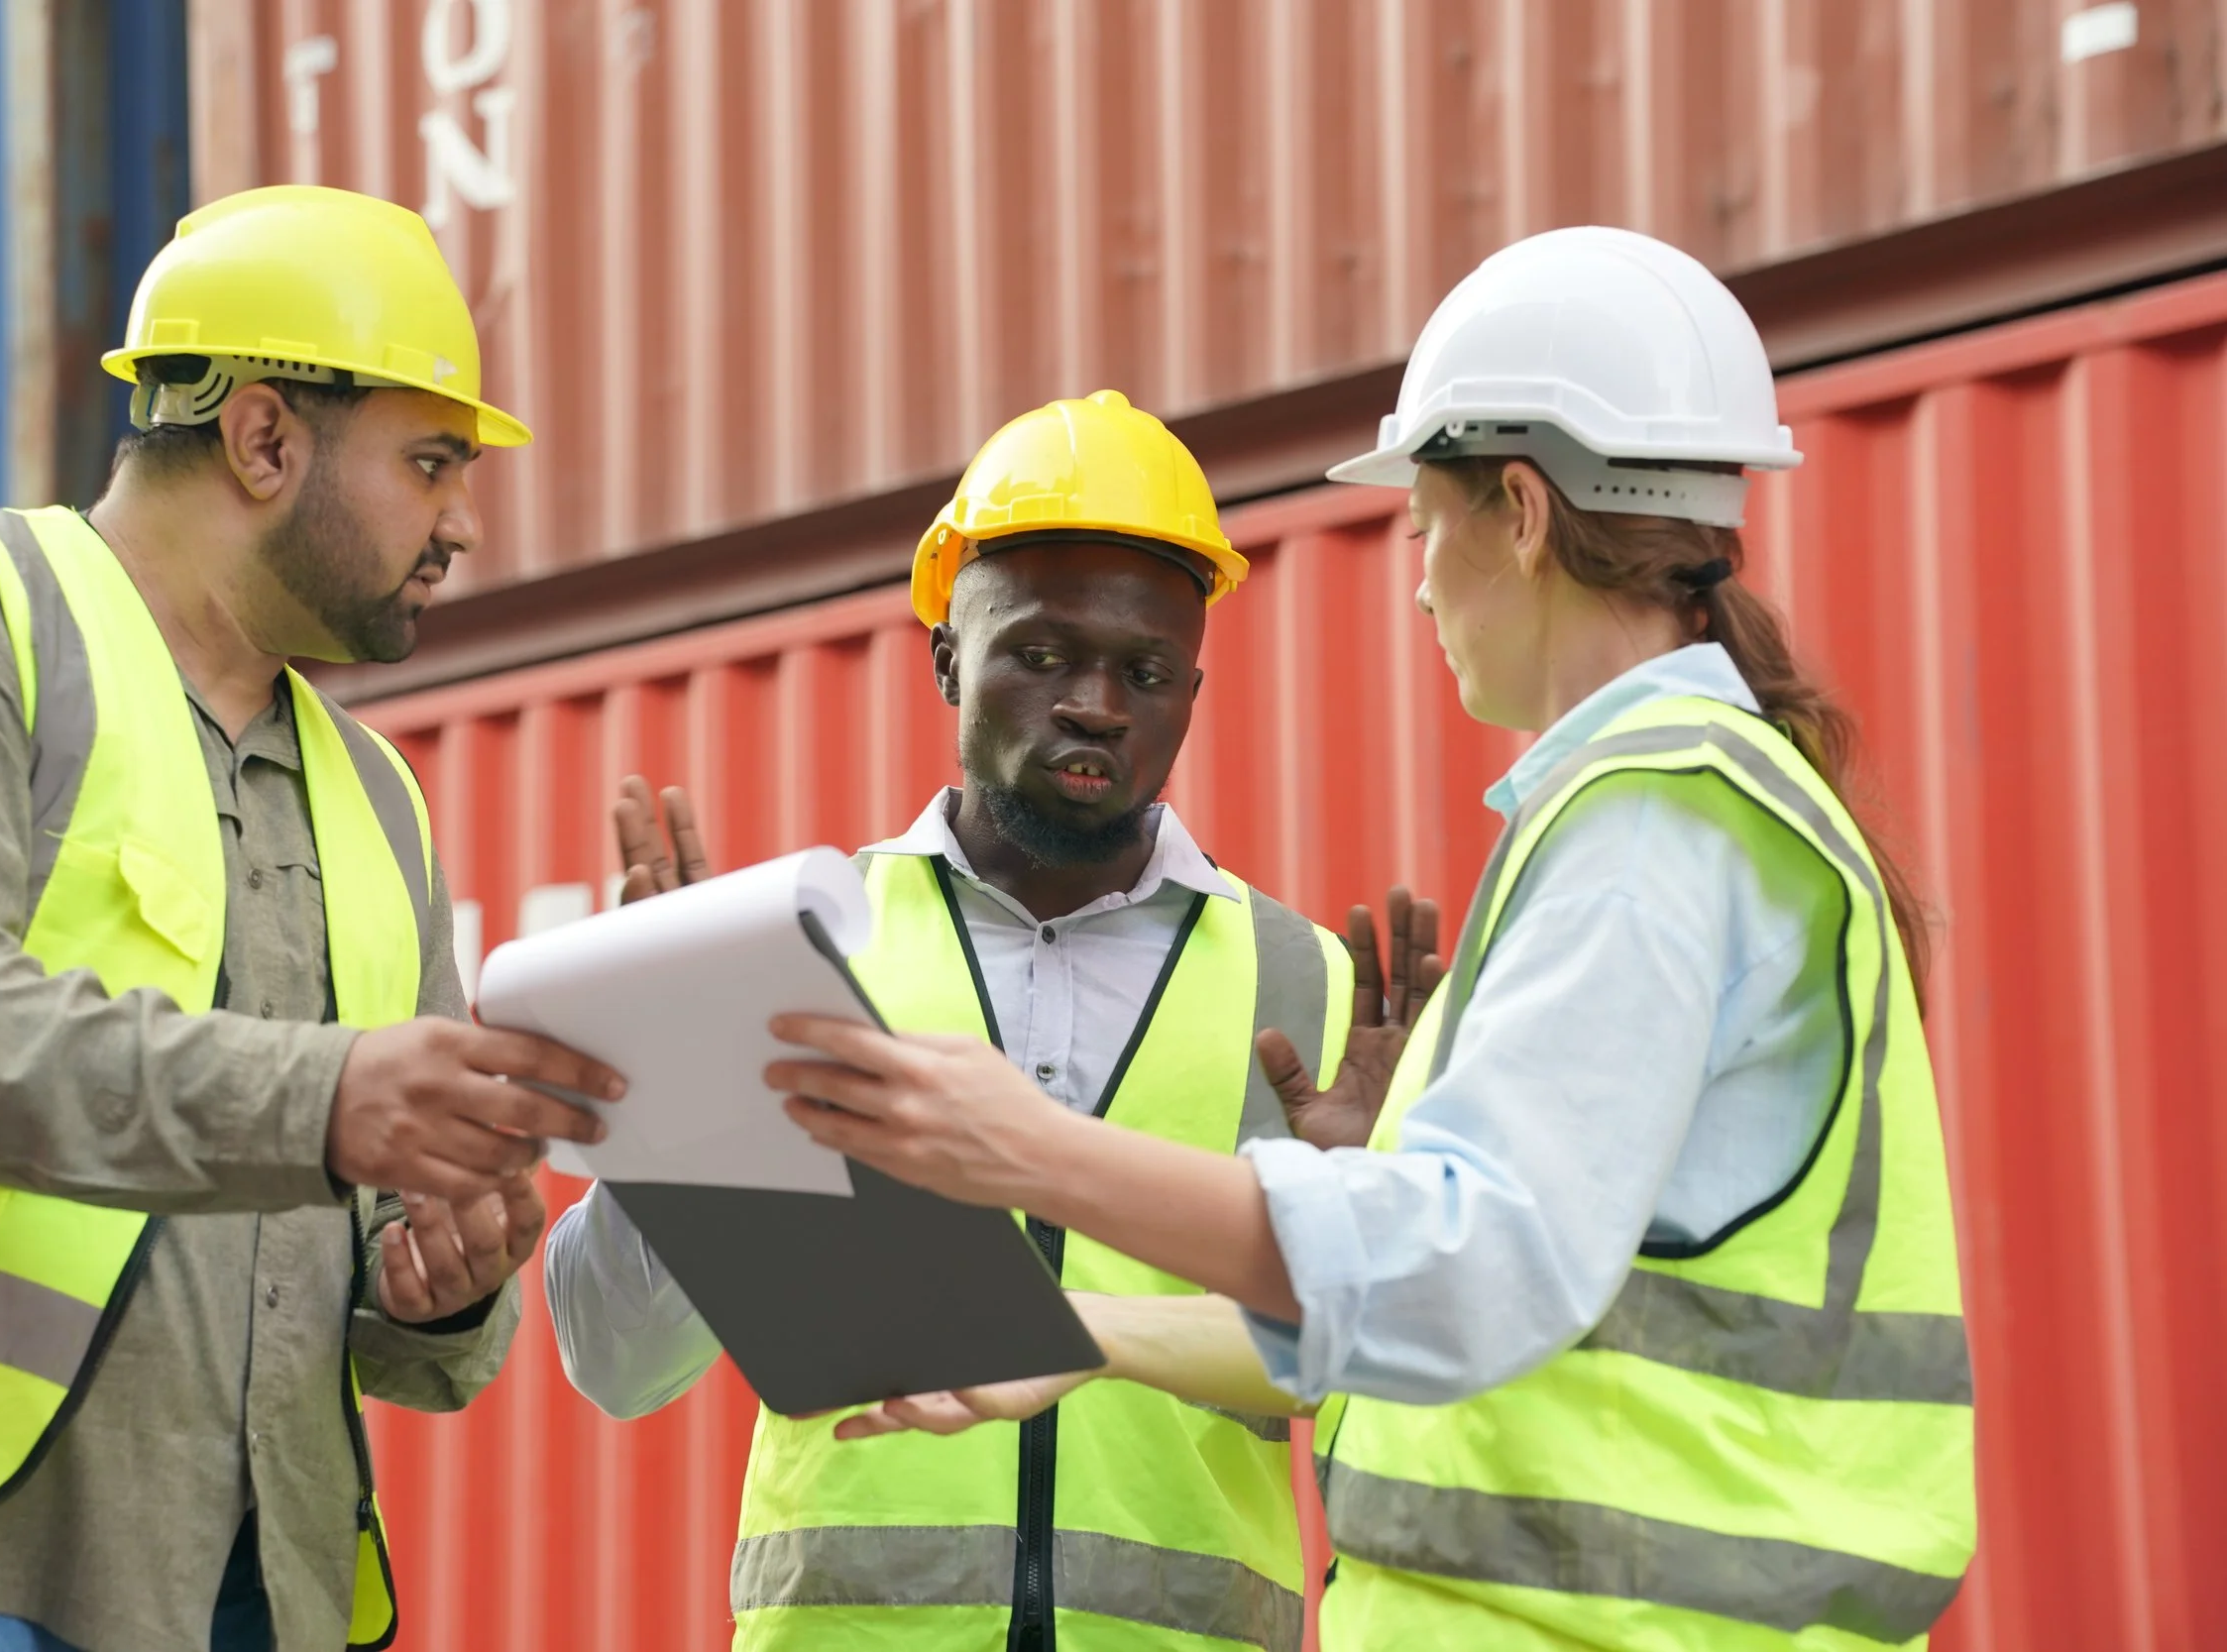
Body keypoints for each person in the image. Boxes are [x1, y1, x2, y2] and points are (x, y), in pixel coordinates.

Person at [761, 229, 1978, 1650]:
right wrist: (1083, 1330)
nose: (1418, 586)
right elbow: (1480, 1304)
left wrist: (1028, 1148)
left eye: (1420, 527)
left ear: (1519, 511)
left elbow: (1462, 1269)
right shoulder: (1671, 808)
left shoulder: (1654, 822)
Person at [0, 184, 624, 1652]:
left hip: (241, 1595)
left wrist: (438, 1285)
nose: (464, 523)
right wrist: (326, 1097)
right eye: (431, 462)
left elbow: (363, 1281)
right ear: (264, 437)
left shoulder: (377, 797)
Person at [545, 389, 1445, 1652]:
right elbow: (616, 1361)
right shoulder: (806, 952)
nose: (1095, 703)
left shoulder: (1313, 991)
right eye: (1040, 653)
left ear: (1192, 689)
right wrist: (683, 1094)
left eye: (1144, 672)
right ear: (946, 658)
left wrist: (1370, 1239)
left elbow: (1411, 1384)